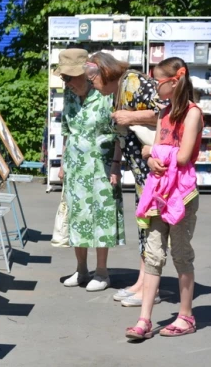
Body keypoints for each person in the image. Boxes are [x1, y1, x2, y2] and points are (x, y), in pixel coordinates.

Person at [125, 57, 202, 340]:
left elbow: (182, 156)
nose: (154, 85)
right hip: (159, 190)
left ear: (174, 81)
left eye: (158, 81)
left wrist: (153, 153)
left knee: (181, 254)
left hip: (181, 193)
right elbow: (156, 149)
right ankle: (144, 319)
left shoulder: (192, 113)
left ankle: (186, 316)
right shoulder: (163, 112)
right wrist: (149, 156)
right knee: (153, 253)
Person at [84, 52, 163, 306]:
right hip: (143, 169)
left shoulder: (133, 82)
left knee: (151, 225)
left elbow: (166, 114)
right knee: (145, 224)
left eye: (92, 79)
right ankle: (143, 282)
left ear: (104, 73)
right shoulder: (121, 88)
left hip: (154, 167)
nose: (91, 85)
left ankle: (150, 288)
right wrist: (117, 163)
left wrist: (130, 117)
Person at [55, 48, 125, 290]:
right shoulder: (70, 93)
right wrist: (63, 162)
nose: (66, 81)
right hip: (76, 164)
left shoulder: (106, 92)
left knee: (102, 217)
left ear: (85, 73)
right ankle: (81, 269)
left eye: (69, 77)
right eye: (63, 77)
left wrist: (116, 165)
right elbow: (66, 129)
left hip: (102, 164)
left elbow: (119, 134)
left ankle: (102, 272)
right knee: (78, 216)